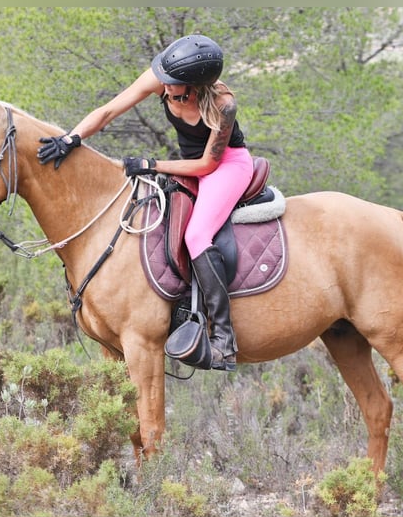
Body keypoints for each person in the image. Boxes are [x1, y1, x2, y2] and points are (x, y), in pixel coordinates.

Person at [37, 34, 253, 372]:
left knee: (196, 236)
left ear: (195, 87)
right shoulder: (164, 78)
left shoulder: (223, 104)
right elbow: (109, 110)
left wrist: (152, 165)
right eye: (164, 84)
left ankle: (223, 339)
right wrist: (71, 137)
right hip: (188, 165)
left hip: (226, 166)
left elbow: (207, 166)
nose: (165, 91)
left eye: (175, 89)